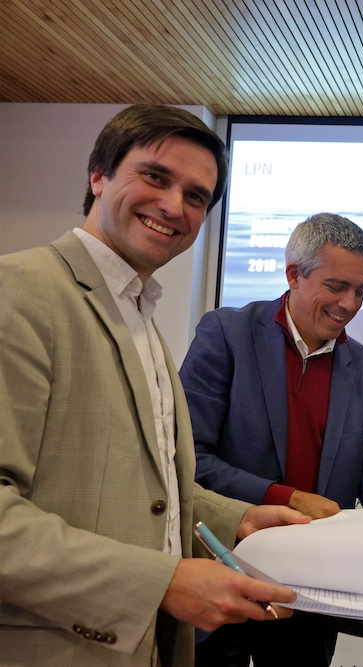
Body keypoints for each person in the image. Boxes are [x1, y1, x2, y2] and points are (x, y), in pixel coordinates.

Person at [0, 104, 307, 667]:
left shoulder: (141, 317)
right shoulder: (18, 291)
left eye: (196, 196)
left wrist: (238, 520)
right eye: (155, 177)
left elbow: (144, 491)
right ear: (98, 174)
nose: (173, 206)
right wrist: (159, 582)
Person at [179, 212, 363, 667]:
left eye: (361, 290)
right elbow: (189, 456)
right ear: (293, 275)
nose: (350, 304)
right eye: (337, 286)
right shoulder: (227, 334)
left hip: (314, 582)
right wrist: (286, 497)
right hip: (225, 561)